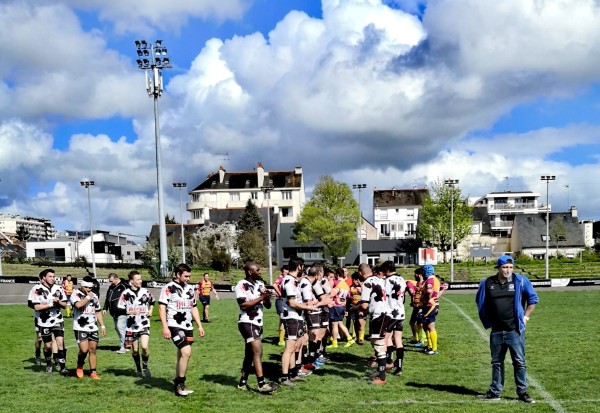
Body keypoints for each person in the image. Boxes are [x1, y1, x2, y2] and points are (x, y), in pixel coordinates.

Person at [475, 255, 539, 404]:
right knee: (496, 362)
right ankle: (495, 391)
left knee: (519, 362)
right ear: (498, 268)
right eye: (504, 267)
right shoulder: (487, 283)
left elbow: (533, 299)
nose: (507, 270)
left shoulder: (521, 281)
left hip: (514, 331)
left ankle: (522, 392)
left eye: (510, 267)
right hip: (496, 331)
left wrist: (526, 317)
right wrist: (487, 320)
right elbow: (480, 301)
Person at [159, 263, 205, 397]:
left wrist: (199, 325)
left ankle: (178, 382)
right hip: (174, 325)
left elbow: (194, 307)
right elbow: (162, 308)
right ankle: (180, 383)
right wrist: (165, 327)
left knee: (182, 354)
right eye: (186, 276)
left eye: (189, 276)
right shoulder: (168, 288)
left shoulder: (190, 288)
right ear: (178, 274)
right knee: (186, 352)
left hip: (188, 326)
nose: (188, 279)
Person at [235, 261, 277, 394]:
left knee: (250, 354)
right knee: (258, 352)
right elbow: (243, 305)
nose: (260, 272)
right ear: (250, 272)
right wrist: (261, 297)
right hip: (247, 322)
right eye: (257, 270)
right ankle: (261, 384)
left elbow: (268, 306)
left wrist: (267, 298)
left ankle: (242, 382)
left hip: (258, 323)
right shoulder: (241, 285)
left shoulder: (260, 284)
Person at [279, 256, 318, 387]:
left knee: (296, 346)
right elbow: (292, 302)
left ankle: (293, 373)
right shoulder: (289, 281)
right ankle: (285, 377)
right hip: (291, 317)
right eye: (303, 267)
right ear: (299, 267)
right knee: (289, 348)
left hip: (297, 317)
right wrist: (308, 307)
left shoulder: (294, 280)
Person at [28, 269, 69, 375]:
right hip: (43, 320)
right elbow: (36, 307)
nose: (53, 278)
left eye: (53, 276)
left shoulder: (59, 288)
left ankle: (63, 367)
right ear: (43, 278)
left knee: (60, 342)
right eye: (50, 276)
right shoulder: (37, 289)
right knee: (47, 345)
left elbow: (65, 305)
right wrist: (50, 305)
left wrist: (58, 301)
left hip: (58, 318)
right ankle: (48, 364)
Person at [356, 263, 390, 385]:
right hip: (384, 313)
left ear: (360, 273)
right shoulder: (379, 279)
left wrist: (354, 308)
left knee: (379, 345)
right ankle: (380, 372)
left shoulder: (367, 283)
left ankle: (382, 377)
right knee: (375, 342)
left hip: (378, 315)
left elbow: (364, 304)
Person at [118, 270, 155, 379]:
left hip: (144, 323)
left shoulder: (145, 291)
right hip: (131, 326)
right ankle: (138, 368)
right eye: (138, 279)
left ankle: (145, 367)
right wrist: (131, 312)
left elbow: (152, 301)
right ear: (131, 282)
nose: (140, 281)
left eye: (140, 279)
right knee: (134, 350)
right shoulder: (125, 294)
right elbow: (119, 310)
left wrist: (151, 310)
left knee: (144, 347)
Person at [71, 275, 107, 380]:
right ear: (82, 286)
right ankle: (80, 365)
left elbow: (98, 311)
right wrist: (88, 297)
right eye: (87, 287)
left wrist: (102, 325)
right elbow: (78, 305)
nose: (89, 289)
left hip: (93, 327)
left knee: (93, 349)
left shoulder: (94, 296)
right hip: (80, 326)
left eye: (90, 288)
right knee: (84, 349)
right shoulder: (75, 294)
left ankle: (93, 371)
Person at [381, 261, 407, 376]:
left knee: (385, 339)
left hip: (391, 313)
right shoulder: (402, 279)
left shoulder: (387, 281)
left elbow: (383, 296)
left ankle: (388, 362)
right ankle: (399, 367)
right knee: (398, 340)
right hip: (400, 312)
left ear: (387, 270)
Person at [327, 267, 354, 349]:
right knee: (340, 323)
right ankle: (349, 338)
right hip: (342, 306)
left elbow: (331, 292)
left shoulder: (336, 282)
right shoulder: (346, 284)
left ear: (337, 275)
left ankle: (334, 342)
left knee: (334, 325)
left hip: (336, 305)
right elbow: (348, 296)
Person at [103, 273, 128, 353]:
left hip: (122, 312)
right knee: (118, 328)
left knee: (120, 328)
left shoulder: (124, 286)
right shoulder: (111, 287)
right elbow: (108, 298)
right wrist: (105, 308)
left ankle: (123, 347)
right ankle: (127, 343)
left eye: (111, 281)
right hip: (113, 313)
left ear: (116, 278)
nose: (111, 283)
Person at [420, 264, 441, 355]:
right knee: (426, 326)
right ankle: (430, 345)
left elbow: (429, 290)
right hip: (432, 304)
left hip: (429, 305)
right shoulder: (435, 279)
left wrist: (428, 297)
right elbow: (442, 288)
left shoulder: (430, 280)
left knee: (430, 326)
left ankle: (434, 348)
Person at [406, 267, 426, 346]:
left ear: (420, 275)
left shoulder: (424, 283)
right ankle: (417, 338)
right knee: (413, 322)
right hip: (417, 306)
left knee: (419, 323)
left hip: (421, 306)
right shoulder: (418, 283)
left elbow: (413, 293)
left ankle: (421, 339)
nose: (414, 276)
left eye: (415, 274)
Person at [272, 265, 289, 346]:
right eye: (285, 271)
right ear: (282, 272)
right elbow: (274, 285)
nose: (287, 272)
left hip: (285, 301)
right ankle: (281, 340)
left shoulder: (287, 279)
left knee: (286, 319)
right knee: (282, 319)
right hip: (281, 300)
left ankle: (284, 338)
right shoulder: (281, 278)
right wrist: (280, 294)